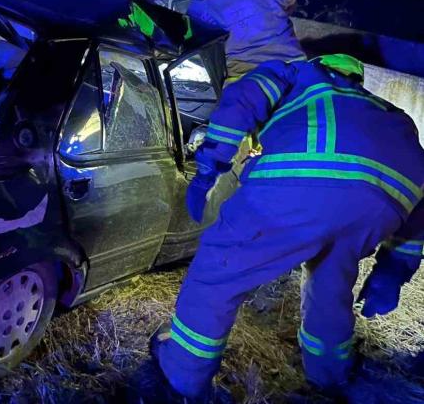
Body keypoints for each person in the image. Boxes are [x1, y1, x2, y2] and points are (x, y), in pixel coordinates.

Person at [141, 54, 424, 402]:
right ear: (357, 80)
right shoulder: (391, 115)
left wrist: (210, 164)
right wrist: (392, 272)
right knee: (329, 284)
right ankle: (329, 376)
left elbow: (245, 98)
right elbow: (419, 207)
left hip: (303, 179)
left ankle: (181, 378)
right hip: (381, 206)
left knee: (218, 273)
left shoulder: (300, 74)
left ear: (322, 65)